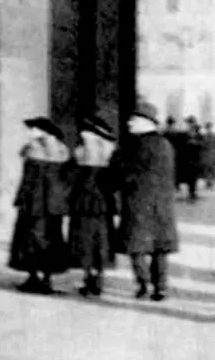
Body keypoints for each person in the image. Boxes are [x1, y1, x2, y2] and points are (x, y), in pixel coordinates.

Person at [118, 101, 177, 301]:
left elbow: (130, 173)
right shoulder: (165, 144)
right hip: (161, 204)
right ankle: (160, 288)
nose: (129, 123)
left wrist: (122, 181)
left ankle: (143, 285)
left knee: (136, 248)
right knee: (159, 248)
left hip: (138, 202)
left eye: (133, 120)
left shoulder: (135, 144)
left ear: (145, 122)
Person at [8, 116, 72, 294]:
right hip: (53, 204)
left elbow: (29, 181)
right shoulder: (61, 150)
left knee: (31, 239)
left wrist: (21, 199)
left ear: (43, 131)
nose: (30, 132)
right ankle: (46, 278)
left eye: (33, 129)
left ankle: (34, 277)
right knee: (51, 237)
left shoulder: (34, 150)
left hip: (34, 203)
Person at [67, 115, 118, 297]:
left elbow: (70, 176)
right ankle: (98, 276)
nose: (83, 134)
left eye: (86, 131)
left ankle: (89, 276)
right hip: (103, 204)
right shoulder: (110, 154)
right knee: (101, 239)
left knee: (85, 239)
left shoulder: (81, 153)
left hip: (84, 203)